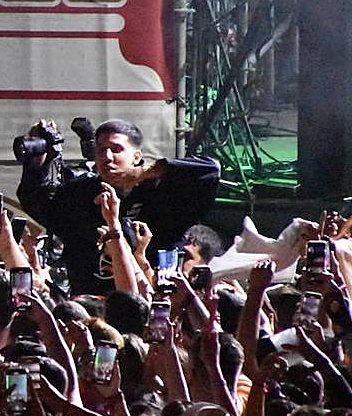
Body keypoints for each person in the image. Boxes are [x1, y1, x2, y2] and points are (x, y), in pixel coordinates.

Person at [16, 118, 220, 297]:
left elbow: (210, 171)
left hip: (146, 301)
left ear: (137, 156)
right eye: (101, 150)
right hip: (89, 305)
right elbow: (39, 204)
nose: (107, 157)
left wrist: (146, 172)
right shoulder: (82, 192)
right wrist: (37, 163)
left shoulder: (160, 193)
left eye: (116, 149)